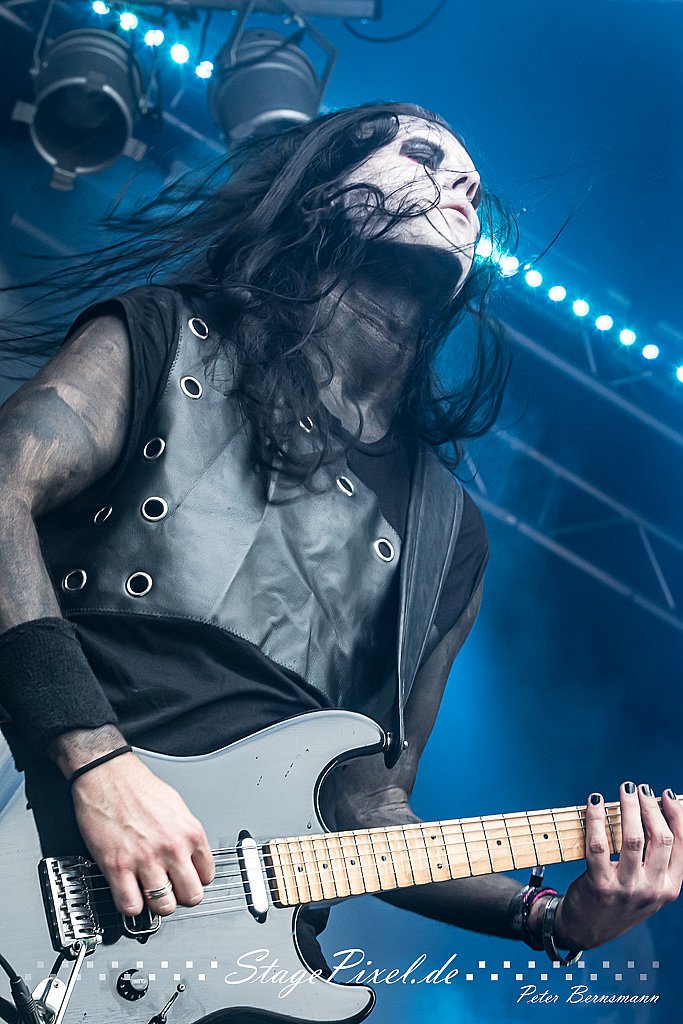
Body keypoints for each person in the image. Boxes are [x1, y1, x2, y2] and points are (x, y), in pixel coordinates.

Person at [0, 101, 680, 984]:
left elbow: (368, 806)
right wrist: (96, 762)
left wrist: (549, 915)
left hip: (218, 963)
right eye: (424, 155)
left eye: (472, 184)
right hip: (32, 813)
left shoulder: (446, 531)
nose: (462, 183)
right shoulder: (163, 336)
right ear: (328, 192)